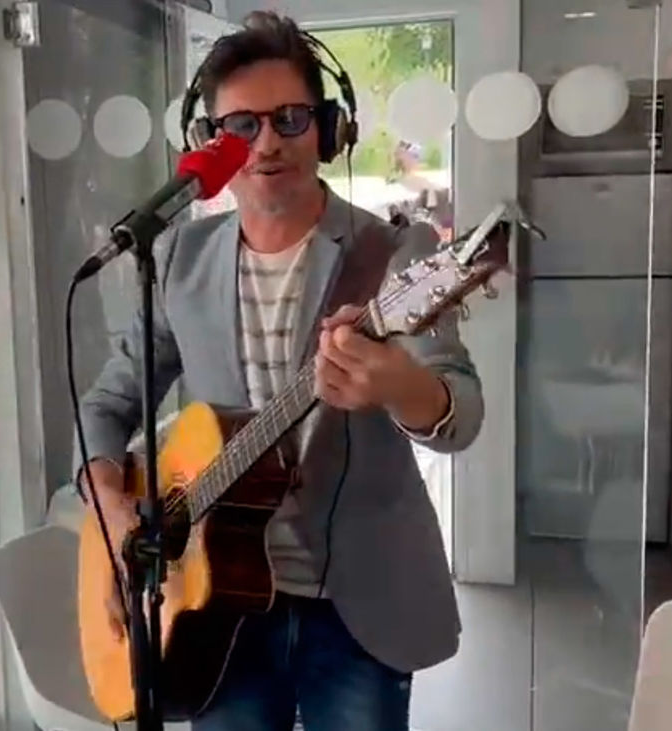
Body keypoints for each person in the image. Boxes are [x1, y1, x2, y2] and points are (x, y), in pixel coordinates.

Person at [74, 13, 483, 730]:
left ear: (327, 131)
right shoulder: (176, 260)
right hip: (213, 602)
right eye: (239, 127)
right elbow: (107, 403)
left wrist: (394, 383)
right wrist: (111, 509)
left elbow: (462, 417)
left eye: (289, 119)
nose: (265, 144)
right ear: (208, 145)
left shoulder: (394, 252)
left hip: (358, 607)